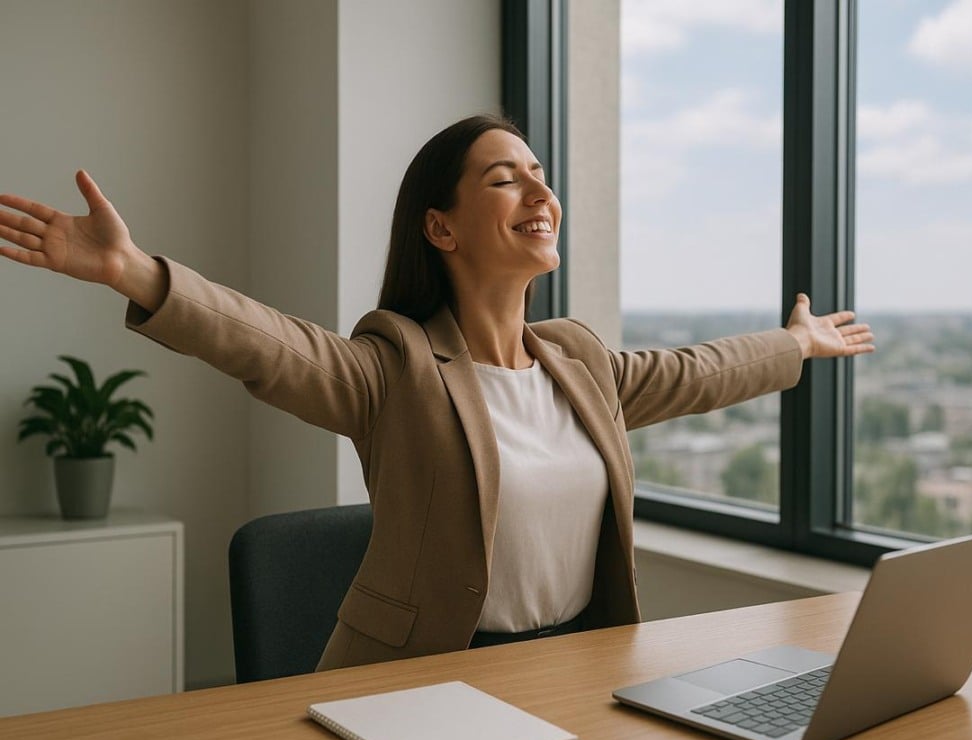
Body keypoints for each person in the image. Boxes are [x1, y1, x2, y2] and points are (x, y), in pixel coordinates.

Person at [0, 114, 874, 670]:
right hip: (426, 680)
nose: (540, 191)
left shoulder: (578, 360)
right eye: (505, 178)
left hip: (578, 667)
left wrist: (795, 342)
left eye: (540, 174)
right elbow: (268, 344)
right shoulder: (397, 368)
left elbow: (694, 372)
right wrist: (137, 274)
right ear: (440, 225)